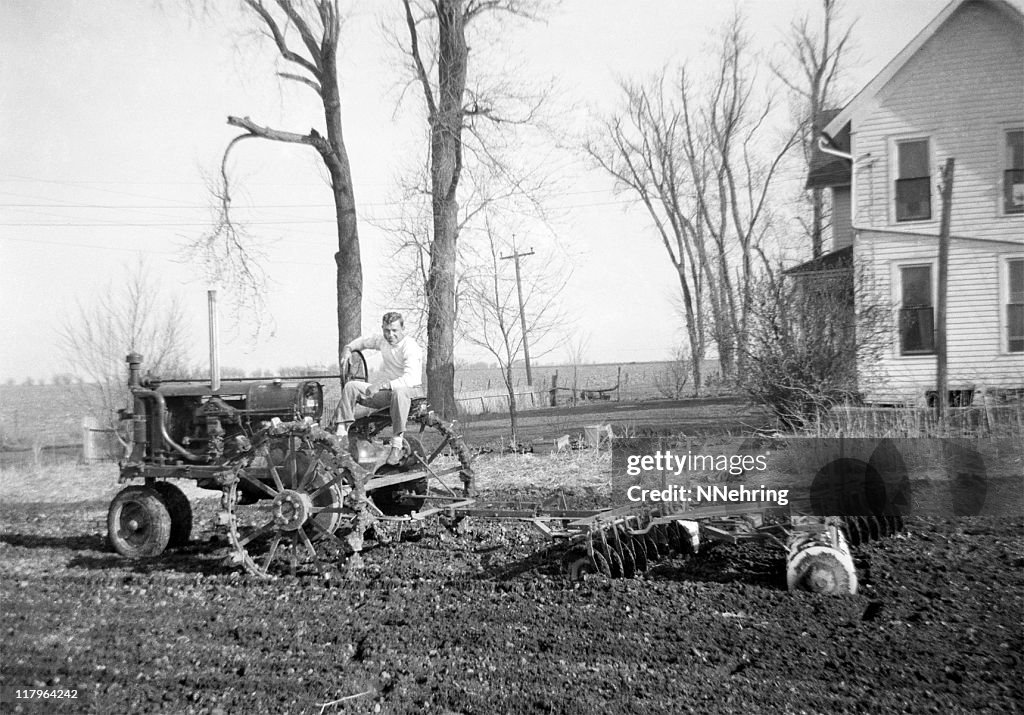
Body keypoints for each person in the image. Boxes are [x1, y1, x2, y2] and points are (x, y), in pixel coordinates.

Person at [334, 311, 423, 465]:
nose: (390, 334)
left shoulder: (410, 347)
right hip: (388, 392)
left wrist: (382, 385)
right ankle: (341, 434)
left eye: (394, 330)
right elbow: (363, 342)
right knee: (351, 386)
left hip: (411, 391)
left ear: (403, 329)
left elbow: (411, 379)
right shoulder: (383, 341)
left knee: (399, 392)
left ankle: (397, 444)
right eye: (387, 330)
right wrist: (348, 348)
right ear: (383, 329)